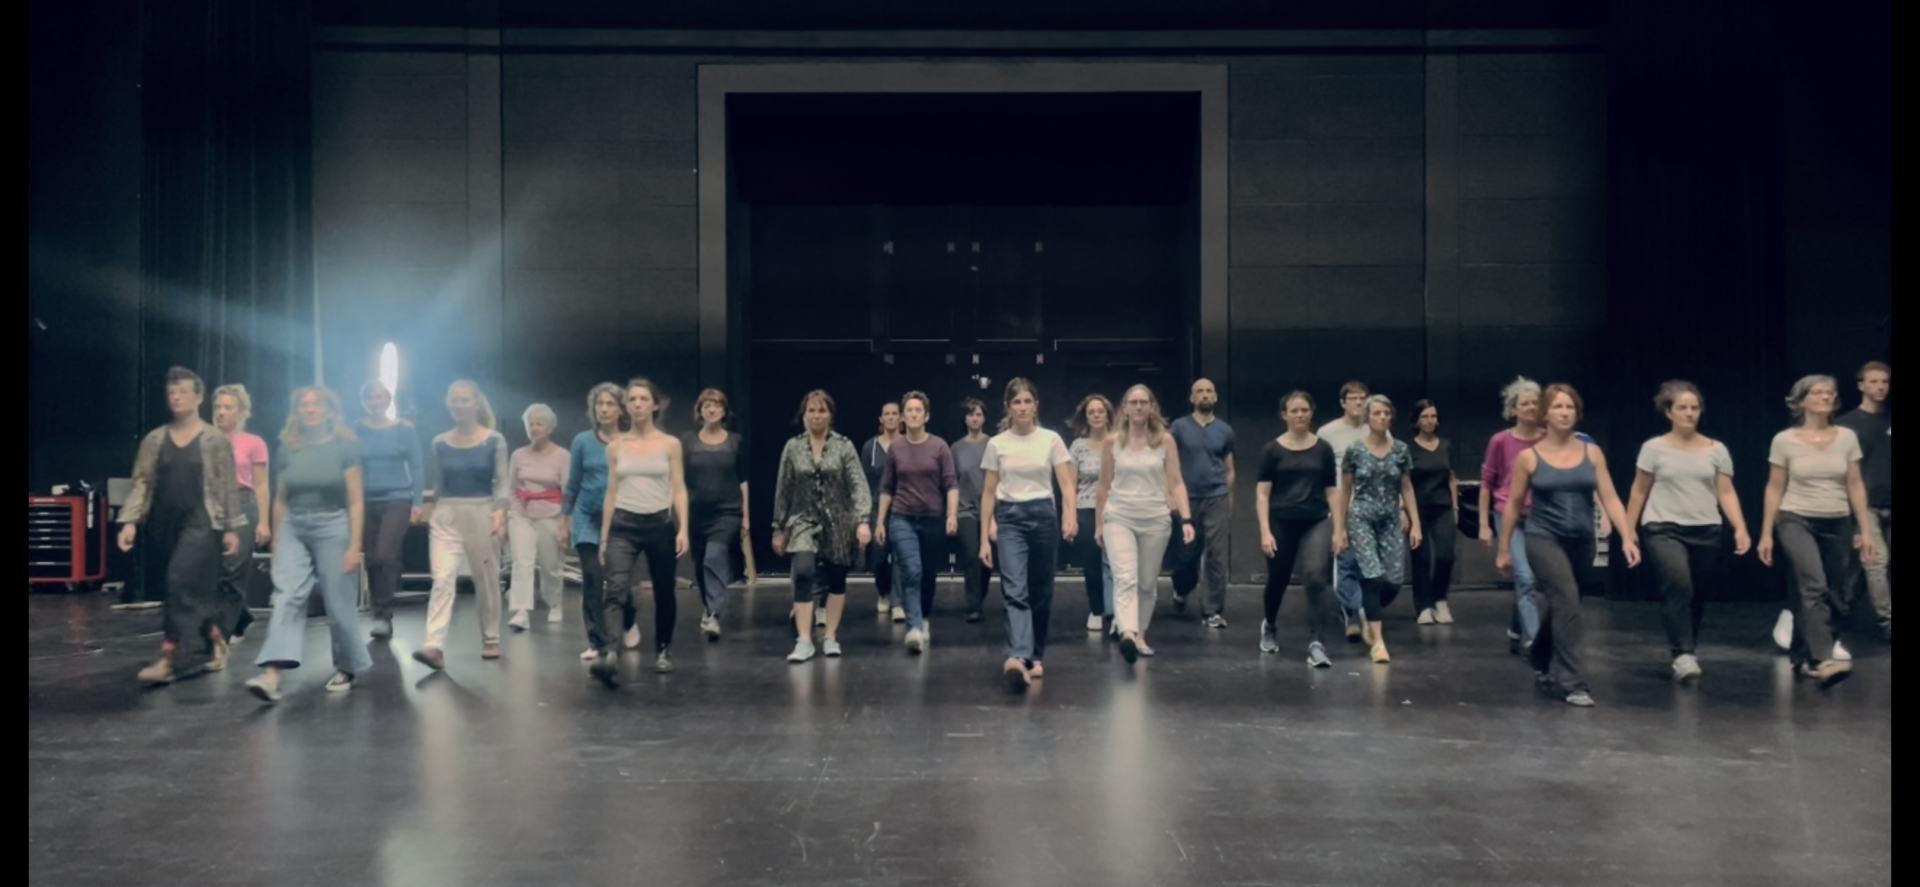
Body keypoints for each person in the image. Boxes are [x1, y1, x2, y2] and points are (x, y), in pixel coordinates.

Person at [1496, 384, 1638, 707]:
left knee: (1565, 605)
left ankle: (1540, 654)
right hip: (1543, 538)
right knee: (1567, 599)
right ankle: (1573, 682)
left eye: (1570, 407)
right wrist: (1504, 548)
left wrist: (1627, 536)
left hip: (1582, 540)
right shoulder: (1529, 457)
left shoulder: (1592, 452)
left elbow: (1610, 497)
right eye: (1558, 407)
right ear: (1545, 414)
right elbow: (1513, 505)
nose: (1564, 412)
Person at [117, 367, 244, 685]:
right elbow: (142, 481)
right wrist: (130, 522)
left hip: (202, 521)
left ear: (199, 398)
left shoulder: (214, 440)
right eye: (172, 392)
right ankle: (214, 636)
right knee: (185, 589)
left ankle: (169, 655)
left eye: (184, 392)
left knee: (177, 581)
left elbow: (227, 486)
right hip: (165, 523)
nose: (176, 397)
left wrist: (230, 527)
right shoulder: (155, 439)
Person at [244, 387, 370, 702]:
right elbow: (281, 498)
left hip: (333, 524)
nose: (310, 409)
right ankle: (272, 674)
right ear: (297, 412)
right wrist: (276, 540)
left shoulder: (345, 446)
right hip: (293, 525)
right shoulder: (289, 448)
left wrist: (354, 545)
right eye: (304, 405)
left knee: (338, 604)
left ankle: (348, 666)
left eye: (317, 404)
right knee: (287, 595)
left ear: (330, 411)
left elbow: (356, 500)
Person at [1624, 381, 1751, 682]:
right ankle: (1683, 654)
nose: (1689, 413)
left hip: (1706, 528)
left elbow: (1726, 492)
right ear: (1669, 412)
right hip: (1662, 527)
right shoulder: (1653, 448)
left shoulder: (1716, 450)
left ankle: (1687, 648)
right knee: (1679, 584)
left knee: (1696, 593)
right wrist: (1628, 531)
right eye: (1682, 408)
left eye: (1694, 408)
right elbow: (1639, 491)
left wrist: (1741, 527)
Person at [1759, 375, 1877, 685]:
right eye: (1819, 392)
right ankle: (1822, 658)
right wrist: (1766, 533)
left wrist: (1865, 529)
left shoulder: (1846, 437)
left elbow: (1855, 484)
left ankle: (1802, 657)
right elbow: (1774, 486)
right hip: (1796, 518)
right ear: (1801, 400)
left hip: (1837, 520)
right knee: (1813, 585)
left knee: (1836, 592)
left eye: (1831, 393)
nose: (1827, 397)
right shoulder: (1784, 440)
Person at [980, 378, 1078, 691]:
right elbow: (989, 492)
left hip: (1044, 515)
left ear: (1036, 405)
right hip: (1010, 517)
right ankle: (1018, 654)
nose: (1022, 407)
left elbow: (1066, 484)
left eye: (1027, 401)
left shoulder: (1051, 439)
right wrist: (984, 537)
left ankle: (1035, 654)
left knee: (1042, 590)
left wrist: (1070, 515)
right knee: (1014, 588)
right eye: (1016, 402)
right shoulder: (997, 443)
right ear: (1008, 407)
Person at [591, 378, 689, 684]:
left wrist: (683, 528)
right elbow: (611, 492)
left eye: (643, 399)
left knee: (664, 591)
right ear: (626, 407)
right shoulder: (616, 447)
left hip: (659, 524)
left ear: (655, 405)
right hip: (623, 525)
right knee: (616, 588)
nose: (637, 404)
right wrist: (604, 536)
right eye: (632, 399)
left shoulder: (670, 444)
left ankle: (663, 649)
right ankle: (610, 651)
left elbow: (678, 488)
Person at [414, 380, 509, 670]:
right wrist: (429, 508)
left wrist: (500, 510)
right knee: (442, 578)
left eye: (465, 399)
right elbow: (438, 483)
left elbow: (502, 482)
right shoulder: (439, 442)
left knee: (486, 580)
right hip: (447, 514)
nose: (459, 405)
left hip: (482, 512)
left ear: (476, 403)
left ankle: (490, 637)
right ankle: (434, 646)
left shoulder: (494, 440)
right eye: (454, 400)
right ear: (448, 403)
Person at [772, 390, 872, 663]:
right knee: (803, 572)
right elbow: (784, 488)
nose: (816, 416)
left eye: (821, 411)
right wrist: (778, 527)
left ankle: (830, 636)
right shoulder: (793, 447)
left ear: (830, 415)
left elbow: (858, 486)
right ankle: (804, 640)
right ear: (803, 416)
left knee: (836, 579)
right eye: (811, 411)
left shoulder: (844, 446)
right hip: (802, 520)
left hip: (838, 521)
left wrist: (862, 521)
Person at [1099, 384, 1195, 664]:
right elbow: (1103, 486)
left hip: (1155, 519)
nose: (1139, 406)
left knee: (1146, 582)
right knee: (1125, 577)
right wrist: (1098, 524)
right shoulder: (1112, 442)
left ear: (1152, 407)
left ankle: (1140, 634)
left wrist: (1186, 518)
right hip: (1119, 516)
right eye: (1133, 402)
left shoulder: (1165, 441)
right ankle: (1128, 633)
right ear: (1125, 408)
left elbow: (1176, 482)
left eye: (1144, 402)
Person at [1333, 395, 1421, 664]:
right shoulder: (1355, 451)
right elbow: (1345, 491)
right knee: (1371, 576)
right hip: (1361, 517)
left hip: (1390, 518)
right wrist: (1340, 528)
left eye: (1386, 413)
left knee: (1392, 580)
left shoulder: (1401, 450)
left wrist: (1415, 523)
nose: (1382, 417)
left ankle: (1365, 611)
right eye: (1377, 413)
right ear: (1367, 418)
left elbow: (1406, 487)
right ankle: (1378, 642)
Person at [1255, 391, 1339, 667]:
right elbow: (1263, 494)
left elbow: (1332, 490)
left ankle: (1317, 643)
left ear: (1311, 413)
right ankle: (1270, 625)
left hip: (1316, 520)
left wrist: (1340, 529)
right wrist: (1265, 531)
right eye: (1294, 411)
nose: (1300, 415)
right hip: (1281, 520)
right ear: (1285, 415)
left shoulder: (1323, 449)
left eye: (1304, 410)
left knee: (1315, 577)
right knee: (1278, 579)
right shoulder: (1272, 450)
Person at [875, 390, 959, 654]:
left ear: (926, 416)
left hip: (932, 519)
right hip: (902, 518)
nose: (913, 414)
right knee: (911, 570)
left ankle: (923, 617)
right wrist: (880, 521)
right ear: (903, 416)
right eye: (909, 410)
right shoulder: (896, 448)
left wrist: (952, 514)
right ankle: (914, 627)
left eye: (917, 410)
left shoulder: (939, 446)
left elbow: (951, 484)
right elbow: (887, 487)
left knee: (927, 574)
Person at [563, 383, 635, 660]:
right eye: (599, 404)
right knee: (592, 577)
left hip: (620, 519)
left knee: (618, 579)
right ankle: (596, 641)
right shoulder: (582, 441)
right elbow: (573, 483)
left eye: (610, 404)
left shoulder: (630, 441)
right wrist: (564, 519)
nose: (603, 409)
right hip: (587, 518)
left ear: (621, 410)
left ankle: (629, 618)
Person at [1480, 377, 1546, 656]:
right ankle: (1535, 643)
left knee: (1530, 580)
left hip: (1540, 516)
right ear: (1513, 409)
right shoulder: (1500, 441)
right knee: (1525, 578)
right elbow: (1487, 483)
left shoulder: (1549, 439)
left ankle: (1516, 629)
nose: (1531, 407)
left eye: (1535, 402)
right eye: (1525, 403)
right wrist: (1484, 525)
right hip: (1508, 514)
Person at [354, 380, 424, 641]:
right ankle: (379, 613)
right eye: (370, 397)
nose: (375, 401)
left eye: (380, 396)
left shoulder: (404, 429)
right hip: (364, 499)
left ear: (388, 400)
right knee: (372, 558)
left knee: (385, 553)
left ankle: (385, 612)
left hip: (397, 497)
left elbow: (416, 466)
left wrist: (418, 501)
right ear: (364, 401)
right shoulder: (356, 430)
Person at [683, 389, 750, 642]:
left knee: (714, 555)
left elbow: (743, 480)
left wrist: (746, 516)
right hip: (697, 512)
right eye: (706, 405)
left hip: (728, 511)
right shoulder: (688, 442)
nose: (711, 409)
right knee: (700, 564)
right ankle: (709, 607)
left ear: (724, 411)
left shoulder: (735, 441)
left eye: (716, 405)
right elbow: (681, 481)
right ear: (700, 411)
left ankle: (714, 612)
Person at [1169, 378, 1236, 629]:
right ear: (1192, 398)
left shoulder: (1225, 430)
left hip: (1217, 496)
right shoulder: (1178, 427)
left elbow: (1229, 470)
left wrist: (1229, 500)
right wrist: (1170, 494)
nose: (1205, 395)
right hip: (1187, 498)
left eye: (1209, 391)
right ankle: (1181, 588)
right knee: (1187, 555)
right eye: (1200, 392)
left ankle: (1212, 610)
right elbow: (1168, 463)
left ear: (1215, 397)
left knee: (1216, 554)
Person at [1832, 361, 1890, 641]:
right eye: (1874, 382)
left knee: (1859, 568)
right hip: (1865, 505)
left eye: (1885, 382)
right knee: (1876, 562)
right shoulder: (1847, 425)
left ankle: (1839, 612)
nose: (1880, 387)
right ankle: (1888, 623)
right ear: (1861, 386)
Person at [211, 383, 271, 645]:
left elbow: (261, 484)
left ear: (241, 412)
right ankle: (242, 617)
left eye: (228, 407)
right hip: (213, 507)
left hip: (242, 504)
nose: (221, 412)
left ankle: (221, 635)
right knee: (214, 568)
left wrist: (264, 521)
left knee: (233, 567)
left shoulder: (253, 443)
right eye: (218, 407)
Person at [506, 404, 570, 631]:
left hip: (551, 514)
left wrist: (565, 523)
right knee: (521, 562)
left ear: (549, 427)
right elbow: (511, 488)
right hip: (521, 514)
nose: (534, 428)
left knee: (550, 566)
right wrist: (511, 511)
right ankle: (521, 611)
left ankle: (554, 603)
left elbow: (568, 491)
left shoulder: (562, 456)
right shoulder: (518, 455)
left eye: (539, 424)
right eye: (530, 424)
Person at [1318, 381, 1373, 639]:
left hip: (1373, 506)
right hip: (1342, 505)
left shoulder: (1376, 429)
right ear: (1343, 403)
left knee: (1372, 567)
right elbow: (1320, 469)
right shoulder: (1327, 432)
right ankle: (1354, 613)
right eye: (1353, 398)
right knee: (1346, 562)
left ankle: (1360, 608)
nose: (1359, 402)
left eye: (1363, 398)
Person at [1407, 399, 1459, 626]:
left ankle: (1440, 599)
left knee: (1446, 555)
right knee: (1421, 557)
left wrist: (1455, 507)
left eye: (1433, 416)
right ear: (1417, 421)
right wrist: (1405, 511)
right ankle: (1423, 605)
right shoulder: (1408, 448)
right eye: (1425, 417)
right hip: (1417, 509)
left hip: (1443, 507)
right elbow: (1404, 482)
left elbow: (1451, 478)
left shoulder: (1446, 445)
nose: (1430, 421)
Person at [1067, 394, 1116, 633]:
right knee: (1092, 563)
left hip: (1116, 507)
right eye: (1091, 412)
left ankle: (1116, 612)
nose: (1096, 415)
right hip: (1086, 507)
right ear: (1086, 417)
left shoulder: (1119, 442)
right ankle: (1097, 610)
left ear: (1107, 415)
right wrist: (1070, 516)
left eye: (1100, 411)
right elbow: (1070, 485)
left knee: (1116, 563)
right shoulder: (1078, 446)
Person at [952, 398, 996, 623]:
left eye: (978, 414)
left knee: (986, 560)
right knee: (971, 556)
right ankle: (974, 606)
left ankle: (980, 596)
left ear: (984, 418)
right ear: (965, 418)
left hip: (990, 509)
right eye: (971, 414)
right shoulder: (956, 448)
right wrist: (951, 513)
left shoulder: (993, 444)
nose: (975, 418)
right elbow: (952, 482)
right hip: (965, 509)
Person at [862, 401, 904, 621]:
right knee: (879, 555)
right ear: (881, 419)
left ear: (900, 417)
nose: (890, 417)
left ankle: (898, 601)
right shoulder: (870, 447)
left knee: (900, 554)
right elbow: (863, 480)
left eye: (894, 413)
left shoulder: (907, 444)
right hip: (876, 506)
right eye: (886, 414)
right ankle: (884, 592)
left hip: (902, 506)